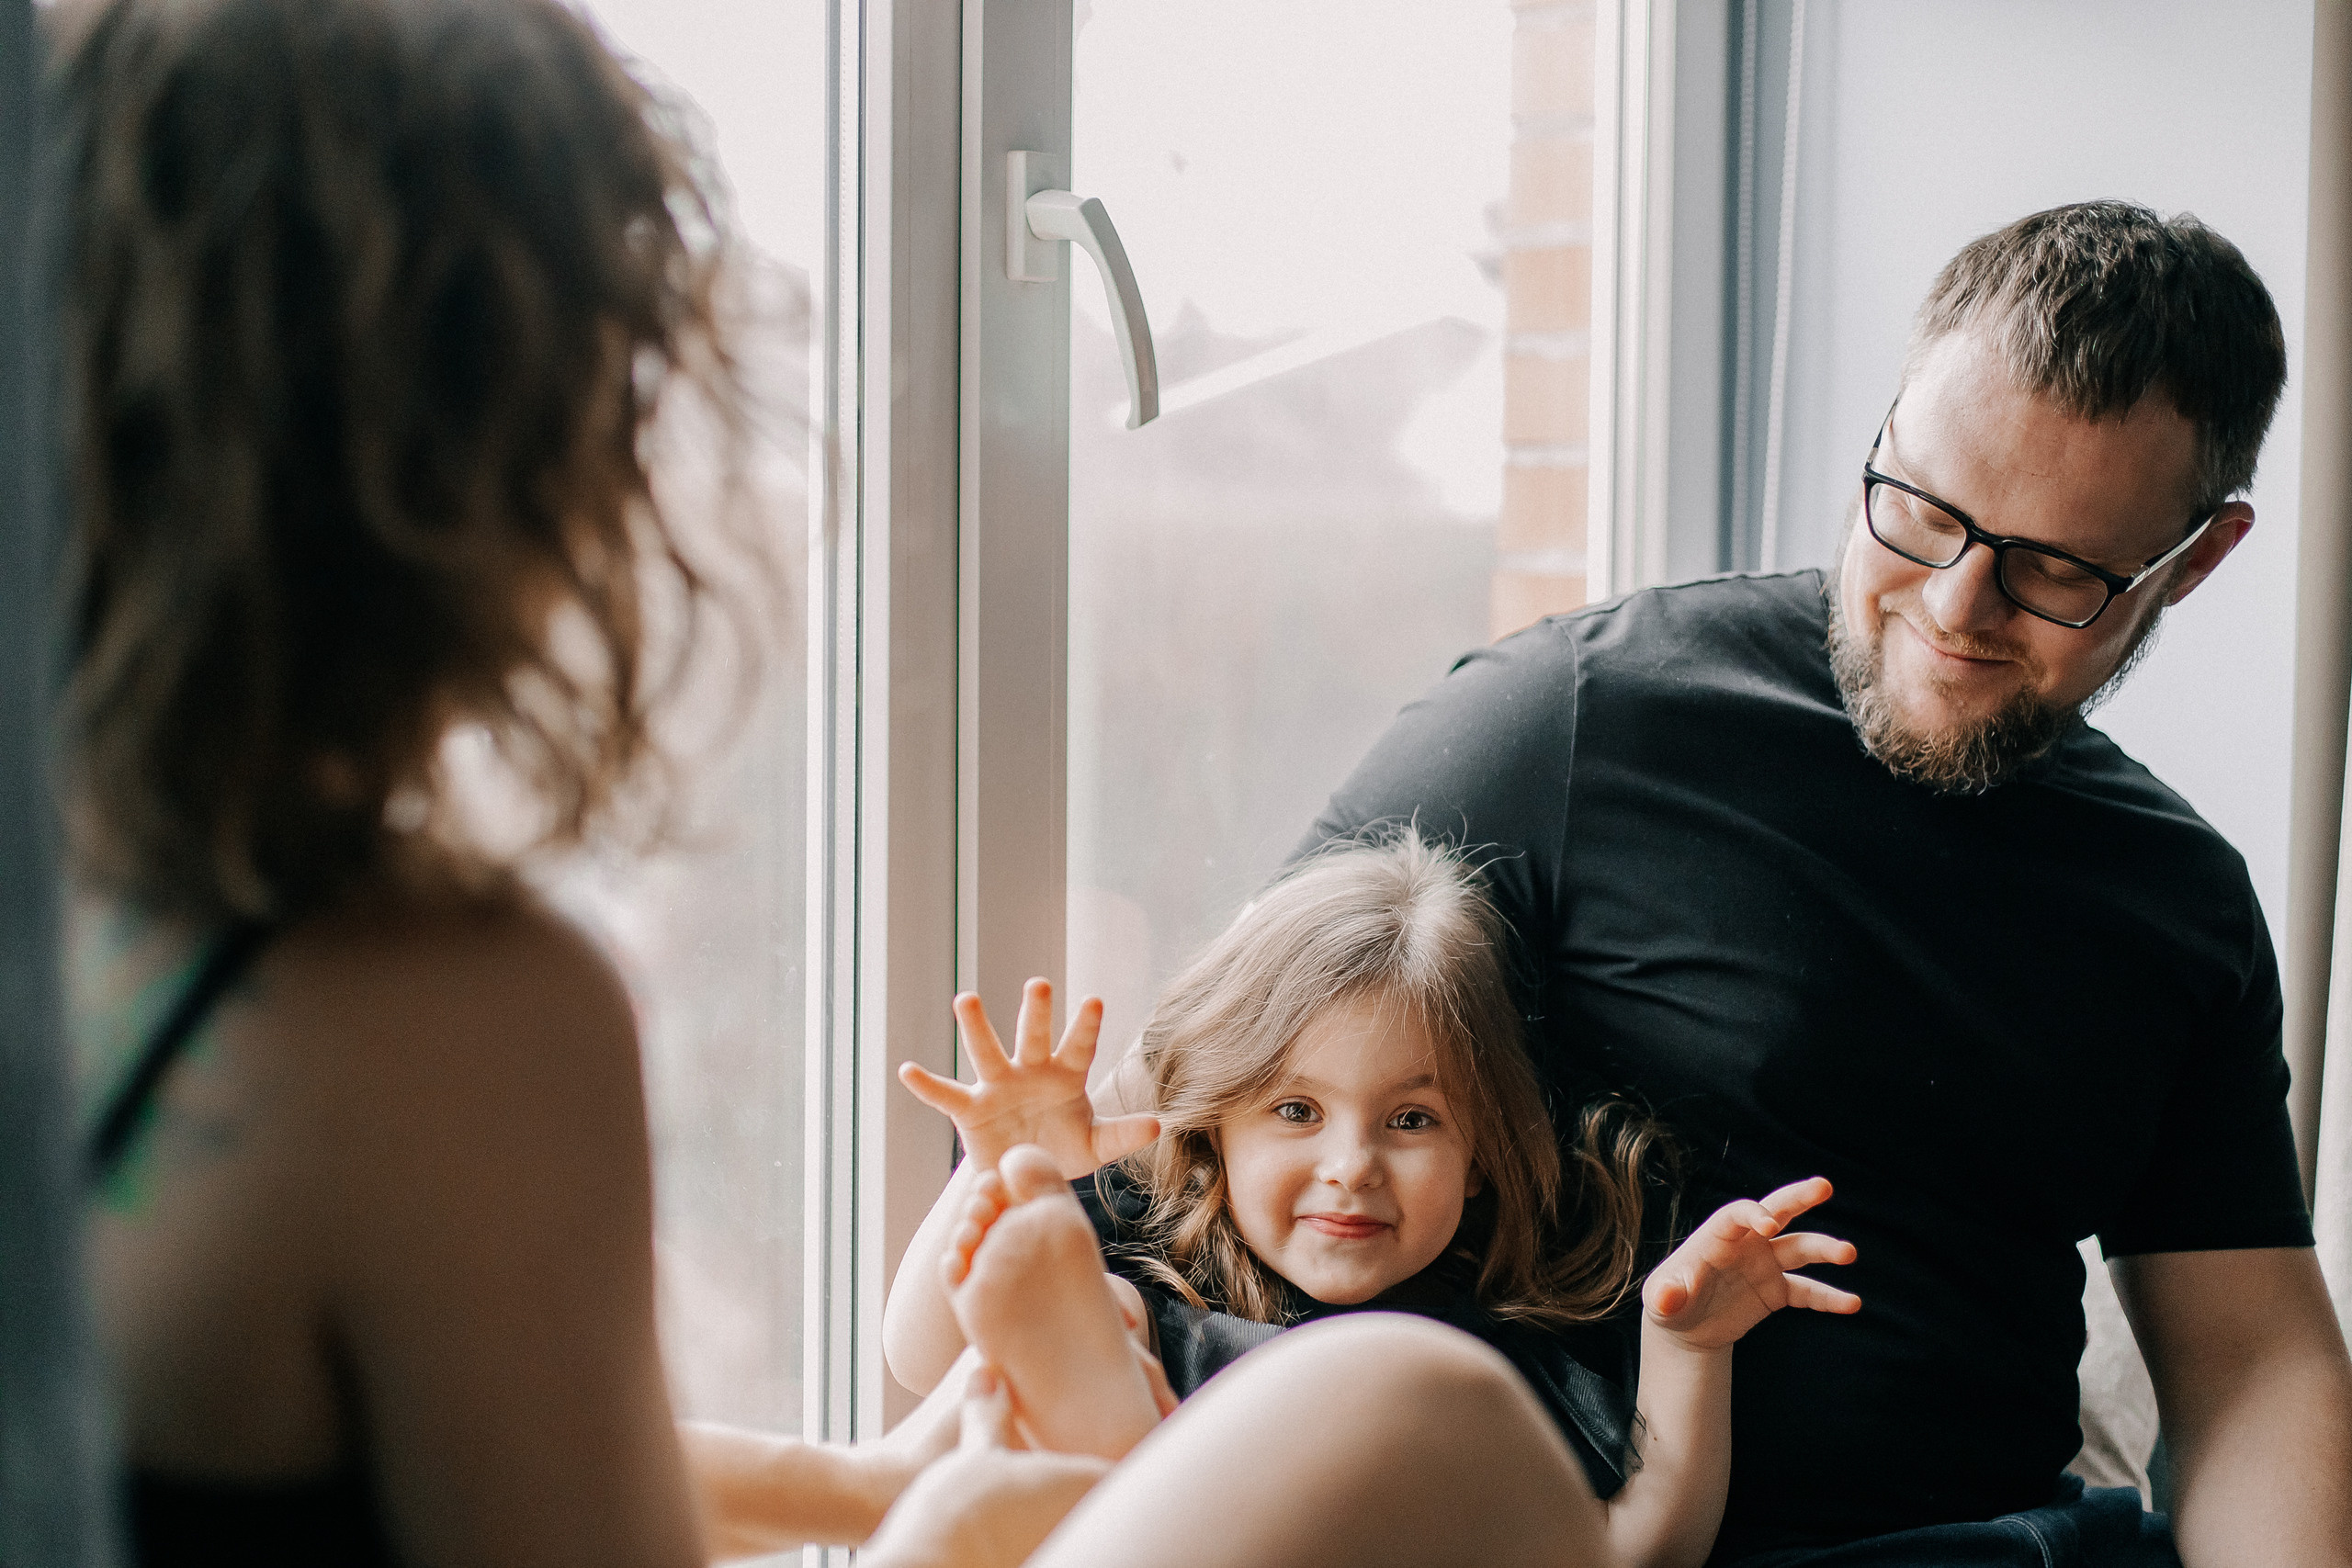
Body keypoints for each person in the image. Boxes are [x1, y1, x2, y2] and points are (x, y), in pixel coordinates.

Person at [1244, 202, 2352, 1565]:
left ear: (2196, 559)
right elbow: (1224, 1088)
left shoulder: (2179, 899)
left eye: (2057, 568)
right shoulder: (1583, 719)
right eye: (1922, 509)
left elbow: (2254, 1365)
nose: (1955, 606)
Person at [885, 834, 1864, 1568]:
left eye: (1411, 1122)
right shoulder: (1152, 1289)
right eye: (1297, 1110)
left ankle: (1114, 1447)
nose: (1351, 1165)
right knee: (1103, 1317)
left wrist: (1688, 1346)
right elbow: (923, 1355)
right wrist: (1010, 1171)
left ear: (1483, 1153)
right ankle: (1109, 1437)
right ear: (1215, 1130)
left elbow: (1630, 1550)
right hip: (1119, 1442)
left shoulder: (1497, 1368)